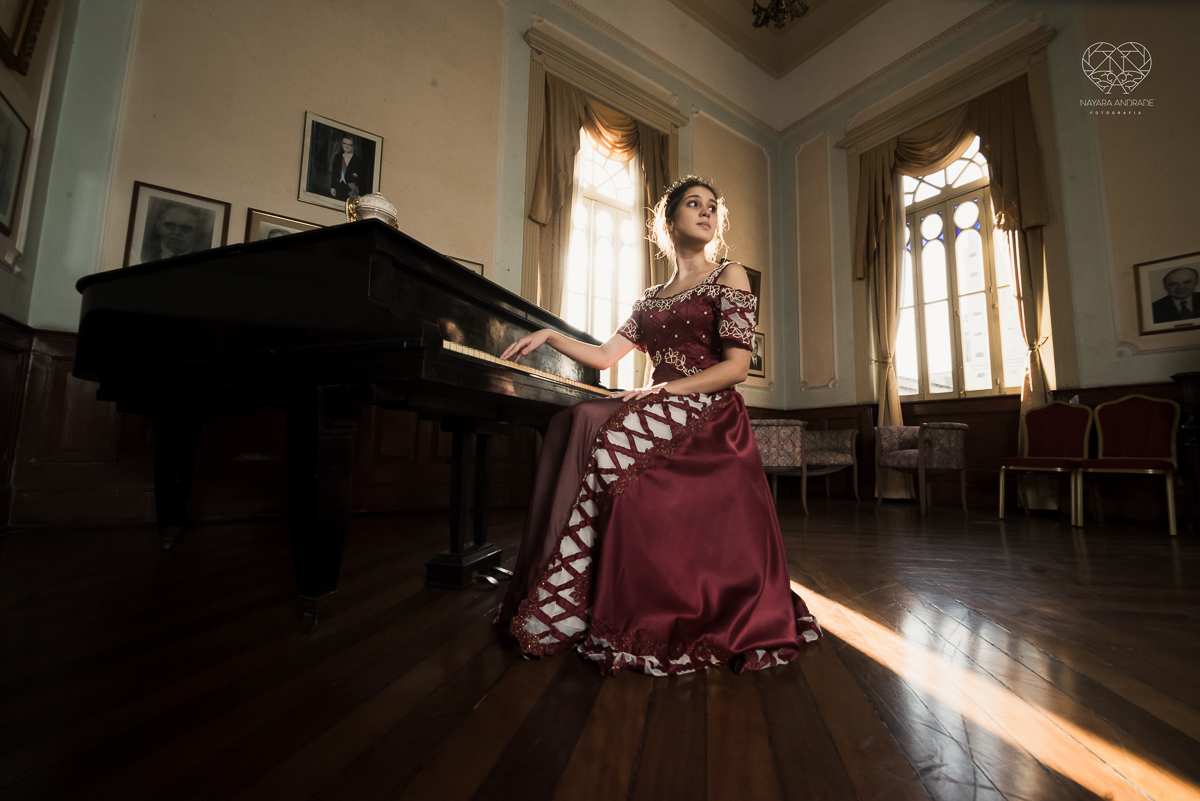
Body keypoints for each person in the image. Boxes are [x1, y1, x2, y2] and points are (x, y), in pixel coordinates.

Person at [495, 176, 821, 677]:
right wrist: (550, 334)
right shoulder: (650, 299)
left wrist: (660, 391)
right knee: (573, 420)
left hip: (707, 408)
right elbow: (605, 357)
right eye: (694, 204)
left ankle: (597, 599)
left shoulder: (729, 275)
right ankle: (566, 597)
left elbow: (736, 368)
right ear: (668, 223)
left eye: (713, 206)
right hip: (657, 405)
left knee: (598, 429)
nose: (707, 212)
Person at [328, 134, 365, 201]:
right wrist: (333, 187)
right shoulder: (337, 157)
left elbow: (362, 179)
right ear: (342, 145)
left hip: (351, 189)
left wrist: (360, 194)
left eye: (350, 145)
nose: (347, 146)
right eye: (345, 143)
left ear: (353, 147)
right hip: (338, 187)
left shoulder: (359, 161)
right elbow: (334, 174)